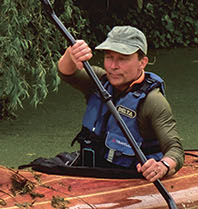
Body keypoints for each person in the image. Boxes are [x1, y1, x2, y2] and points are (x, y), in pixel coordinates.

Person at [54, 25, 182, 182]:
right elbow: (67, 73)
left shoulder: (152, 101)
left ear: (142, 62)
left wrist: (163, 166)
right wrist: (70, 54)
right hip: (92, 170)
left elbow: (174, 149)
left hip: (128, 177)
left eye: (122, 59)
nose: (113, 66)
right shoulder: (98, 81)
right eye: (109, 57)